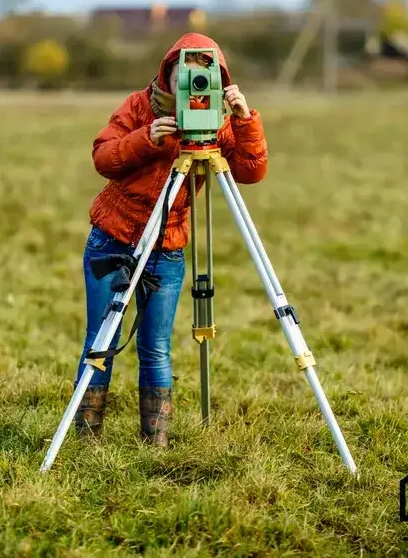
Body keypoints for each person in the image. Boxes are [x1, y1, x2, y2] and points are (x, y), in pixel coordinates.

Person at [73, 33, 268, 447]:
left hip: (166, 245)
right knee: (100, 340)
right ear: (168, 74)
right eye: (184, 77)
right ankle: (85, 438)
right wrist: (147, 137)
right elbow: (103, 159)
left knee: (156, 347)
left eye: (202, 78)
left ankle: (155, 442)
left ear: (217, 79)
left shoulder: (220, 120)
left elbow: (251, 171)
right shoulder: (139, 106)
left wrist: (244, 117)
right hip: (113, 238)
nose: (193, 88)